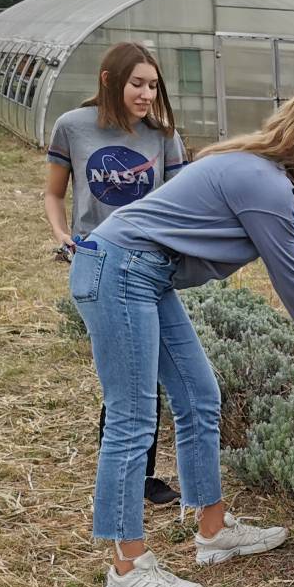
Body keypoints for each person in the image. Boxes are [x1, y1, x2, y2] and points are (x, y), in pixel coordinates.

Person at [69, 92, 294, 587]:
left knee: (200, 396)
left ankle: (213, 529)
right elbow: (290, 278)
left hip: (142, 273)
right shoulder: (267, 185)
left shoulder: (257, 172)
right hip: (120, 271)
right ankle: (127, 567)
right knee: (132, 418)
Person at [46, 42, 188, 505]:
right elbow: (54, 194)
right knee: (127, 376)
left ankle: (136, 475)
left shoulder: (163, 136)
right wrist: (61, 233)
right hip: (100, 262)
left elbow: (181, 199)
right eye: (137, 84)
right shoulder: (73, 127)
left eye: (153, 85)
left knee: (145, 372)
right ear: (109, 80)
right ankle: (127, 475)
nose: (147, 94)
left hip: (150, 266)